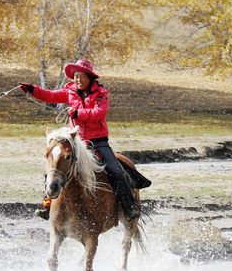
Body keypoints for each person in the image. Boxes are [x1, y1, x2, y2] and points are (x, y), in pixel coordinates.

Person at [19, 58, 141, 222]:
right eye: (75, 76)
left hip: (98, 142)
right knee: (55, 166)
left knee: (116, 170)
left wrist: (79, 114)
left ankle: (128, 206)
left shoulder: (101, 94)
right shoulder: (69, 91)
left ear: (89, 77)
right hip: (76, 142)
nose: (77, 79)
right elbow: (50, 95)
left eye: (81, 76)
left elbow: (100, 113)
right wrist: (32, 89)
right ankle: (47, 204)